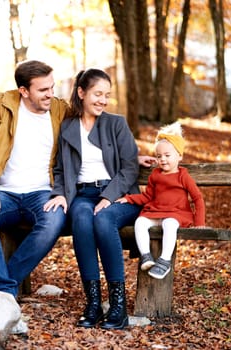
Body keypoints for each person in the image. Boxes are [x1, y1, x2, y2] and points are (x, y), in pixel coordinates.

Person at [44, 68, 155, 330]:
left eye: (106, 95)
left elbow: (129, 167)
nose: (102, 100)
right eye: (97, 94)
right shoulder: (68, 127)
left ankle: (118, 306)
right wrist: (60, 193)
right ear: (81, 93)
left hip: (119, 195)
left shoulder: (115, 123)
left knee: (104, 220)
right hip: (82, 194)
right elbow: (60, 169)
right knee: (82, 218)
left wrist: (108, 196)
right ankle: (93, 303)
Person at [0, 60, 69, 298]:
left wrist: (131, 154)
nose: (50, 94)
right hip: (3, 193)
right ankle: (4, 289)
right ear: (24, 91)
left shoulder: (60, 110)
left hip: (42, 193)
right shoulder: (2, 106)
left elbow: (93, 129)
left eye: (52, 87)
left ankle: (1, 289)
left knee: (53, 220)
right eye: (43, 90)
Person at [117, 122, 205, 279]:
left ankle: (164, 261)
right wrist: (128, 199)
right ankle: (146, 256)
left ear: (179, 156)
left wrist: (199, 223)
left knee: (169, 224)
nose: (162, 160)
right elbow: (147, 197)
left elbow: (197, 198)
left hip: (176, 214)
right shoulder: (155, 175)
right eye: (159, 156)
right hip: (156, 212)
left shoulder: (183, 176)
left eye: (167, 155)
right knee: (140, 223)